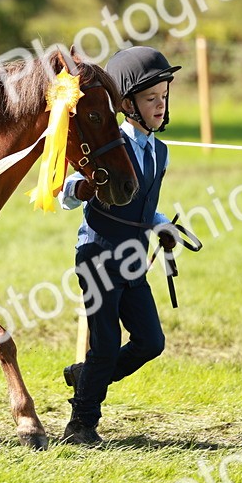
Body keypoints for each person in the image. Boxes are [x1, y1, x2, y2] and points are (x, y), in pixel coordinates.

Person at [59, 46, 181, 445]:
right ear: (127, 105)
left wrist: (162, 226)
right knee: (106, 344)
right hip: (97, 255)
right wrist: (81, 188)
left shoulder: (160, 152)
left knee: (151, 342)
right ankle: (81, 425)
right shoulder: (109, 144)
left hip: (133, 261)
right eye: (151, 99)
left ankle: (86, 377)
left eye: (164, 97)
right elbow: (66, 193)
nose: (160, 106)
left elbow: (143, 205)